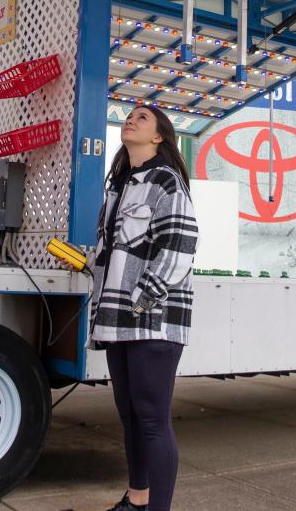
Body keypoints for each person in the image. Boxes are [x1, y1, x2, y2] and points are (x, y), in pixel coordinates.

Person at [89, 106, 198, 511]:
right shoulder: (118, 188)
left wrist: (143, 298)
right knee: (131, 416)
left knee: (152, 419)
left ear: (158, 138)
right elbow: (117, 253)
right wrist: (88, 261)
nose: (130, 120)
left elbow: (181, 246)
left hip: (154, 319)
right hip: (117, 321)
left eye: (142, 118)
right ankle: (137, 500)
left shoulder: (166, 182)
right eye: (129, 116)